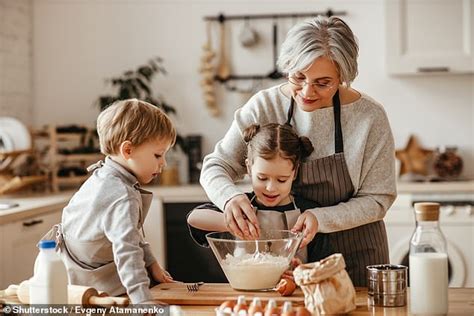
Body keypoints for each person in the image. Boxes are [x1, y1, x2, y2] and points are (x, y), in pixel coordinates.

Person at [199, 16, 397, 287]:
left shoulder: (369, 117)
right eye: (298, 77)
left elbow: (378, 198)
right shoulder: (264, 105)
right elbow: (215, 166)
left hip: (356, 253)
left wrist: (321, 217)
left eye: (323, 82)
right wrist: (229, 197)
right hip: (284, 262)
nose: (306, 92)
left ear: (344, 76)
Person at [45, 99, 176, 303]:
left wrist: (152, 264)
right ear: (128, 151)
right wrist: (142, 300)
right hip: (93, 283)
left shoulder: (104, 175)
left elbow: (130, 232)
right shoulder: (121, 195)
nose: (164, 163)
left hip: (72, 273)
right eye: (158, 155)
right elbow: (127, 250)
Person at [188, 123, 332, 265]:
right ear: (249, 168)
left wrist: (301, 270)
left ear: (294, 173)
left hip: (297, 288)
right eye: (262, 178)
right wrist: (234, 224)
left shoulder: (308, 212)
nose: (270, 188)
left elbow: (323, 265)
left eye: (282, 180)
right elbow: (193, 219)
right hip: (244, 287)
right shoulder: (242, 205)